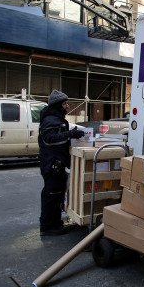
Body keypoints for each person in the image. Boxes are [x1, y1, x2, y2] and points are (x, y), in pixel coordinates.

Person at [38, 90, 84, 236]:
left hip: (57, 163)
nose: (67, 106)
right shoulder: (50, 120)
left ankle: (55, 223)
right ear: (58, 105)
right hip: (51, 164)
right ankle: (48, 227)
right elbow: (49, 139)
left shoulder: (56, 118)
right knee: (51, 194)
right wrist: (70, 134)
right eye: (65, 103)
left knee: (57, 193)